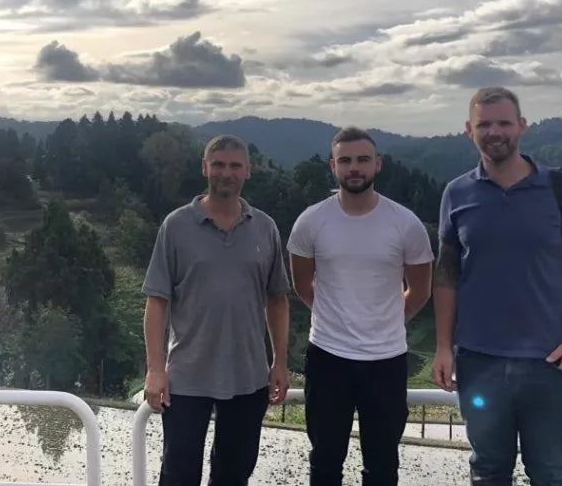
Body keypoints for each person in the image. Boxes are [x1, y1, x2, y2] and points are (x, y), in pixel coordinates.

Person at [431, 87, 562, 486]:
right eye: (484, 124)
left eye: (504, 122)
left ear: (522, 127)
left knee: (552, 473)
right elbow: (447, 275)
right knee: (488, 471)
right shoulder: (457, 193)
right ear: (468, 130)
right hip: (479, 361)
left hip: (552, 362)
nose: (495, 132)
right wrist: (443, 345)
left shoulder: (561, 188)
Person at [288, 126, 434, 486]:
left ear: (378, 164)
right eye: (346, 160)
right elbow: (301, 284)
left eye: (363, 160)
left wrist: (384, 321)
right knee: (324, 461)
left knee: (383, 464)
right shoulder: (311, 221)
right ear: (333, 166)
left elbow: (420, 289)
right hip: (327, 357)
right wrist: (333, 315)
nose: (355, 167)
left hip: (386, 360)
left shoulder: (406, 224)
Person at [142, 134, 290, 486]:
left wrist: (280, 363)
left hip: (249, 376)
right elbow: (157, 302)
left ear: (248, 171)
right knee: (178, 474)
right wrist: (154, 369)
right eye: (219, 165)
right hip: (187, 377)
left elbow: (277, 300)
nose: (227, 173)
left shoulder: (265, 227)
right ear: (205, 167)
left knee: (233, 475)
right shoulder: (176, 226)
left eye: (235, 165)